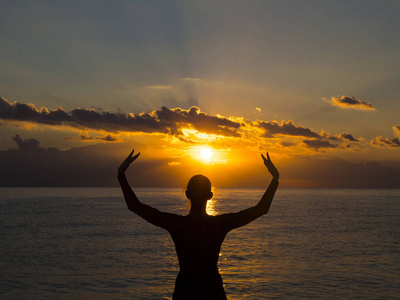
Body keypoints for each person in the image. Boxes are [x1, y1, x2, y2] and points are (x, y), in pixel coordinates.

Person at [118, 150, 279, 300]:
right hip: (212, 290)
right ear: (210, 196)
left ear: (187, 194)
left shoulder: (177, 224)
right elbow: (261, 209)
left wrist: (121, 175)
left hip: (185, 291)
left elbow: (135, 206)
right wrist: (275, 179)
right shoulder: (219, 224)